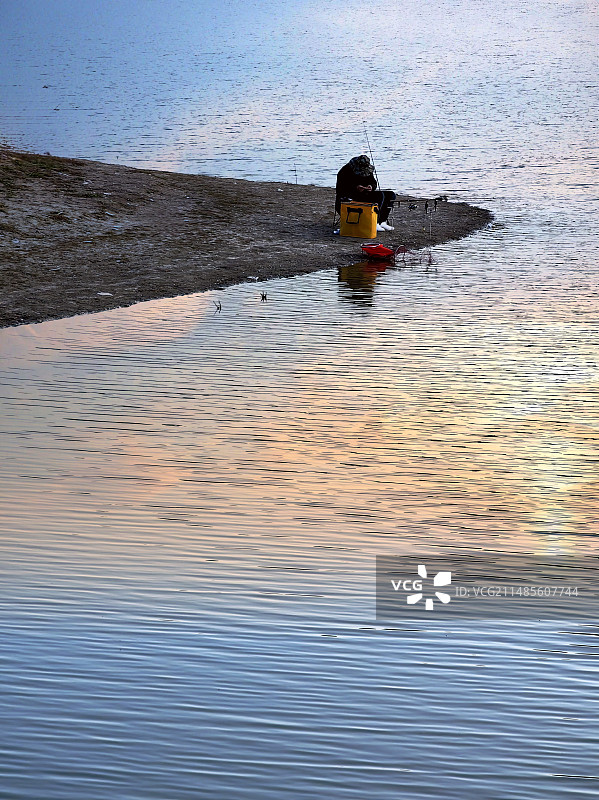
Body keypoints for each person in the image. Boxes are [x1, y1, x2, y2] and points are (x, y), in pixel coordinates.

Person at [335, 155, 396, 232]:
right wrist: (356, 188)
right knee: (380, 196)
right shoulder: (344, 171)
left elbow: (373, 182)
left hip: (365, 194)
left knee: (390, 195)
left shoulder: (368, 170)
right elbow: (340, 190)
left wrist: (371, 187)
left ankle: (382, 221)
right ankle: (374, 222)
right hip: (349, 197)